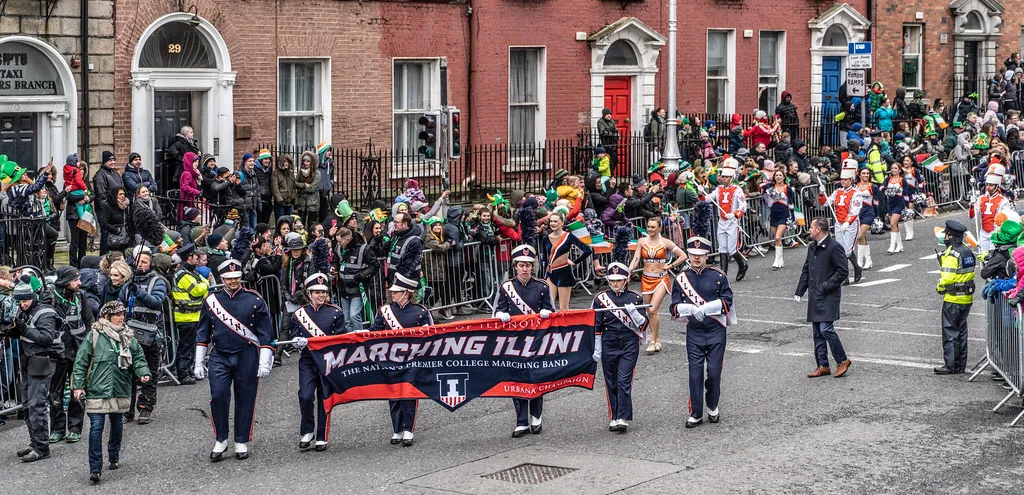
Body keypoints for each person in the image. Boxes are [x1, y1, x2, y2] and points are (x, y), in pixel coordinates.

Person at [195, 259, 274, 461]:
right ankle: (221, 439)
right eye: (229, 278)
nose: (233, 281)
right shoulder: (211, 300)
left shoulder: (254, 299)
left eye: (236, 277)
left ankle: (241, 439)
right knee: (219, 395)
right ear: (222, 278)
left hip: (246, 353)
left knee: (245, 397)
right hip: (220, 354)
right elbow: (203, 332)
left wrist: (265, 359)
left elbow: (265, 333)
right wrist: (198, 361)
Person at [71, 301, 151, 484]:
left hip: (120, 388)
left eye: (123, 314)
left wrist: (143, 373)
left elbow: (138, 358)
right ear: (107, 317)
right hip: (96, 390)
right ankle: (95, 468)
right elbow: (81, 362)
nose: (122, 318)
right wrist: (77, 386)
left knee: (117, 425)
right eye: (117, 314)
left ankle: (114, 456)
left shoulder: (128, 337)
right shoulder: (94, 335)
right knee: (96, 428)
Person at [670, 236, 733, 428]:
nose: (696, 258)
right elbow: (673, 307)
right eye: (693, 255)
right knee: (694, 373)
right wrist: (688, 310)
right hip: (694, 332)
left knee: (714, 373)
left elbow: (727, 302)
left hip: (715, 330)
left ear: (707, 255)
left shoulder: (719, 276)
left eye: (700, 255)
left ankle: (712, 404)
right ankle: (696, 412)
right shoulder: (681, 279)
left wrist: (708, 308)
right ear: (688, 254)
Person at [492, 245, 554, 437]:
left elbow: (552, 312)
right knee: (517, 380)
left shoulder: (542, 286)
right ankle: (521, 421)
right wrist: (501, 315)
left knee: (535, 378)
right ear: (515, 266)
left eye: (528, 265)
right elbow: (496, 312)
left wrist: (547, 313)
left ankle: (536, 415)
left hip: (536, 341)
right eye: (521, 265)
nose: (525, 268)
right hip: (514, 342)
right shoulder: (506, 287)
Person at [368, 271, 431, 446]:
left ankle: (409, 429)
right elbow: (375, 331)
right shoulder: (385, 310)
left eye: (396, 291)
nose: (392, 293)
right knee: (394, 394)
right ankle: (397, 429)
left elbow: (432, 335)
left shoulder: (420, 311)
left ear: (407, 293)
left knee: (408, 394)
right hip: (391, 359)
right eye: (392, 291)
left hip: (412, 359)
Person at [290, 273, 346, 452]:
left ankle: (322, 435)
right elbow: (293, 334)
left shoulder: (335, 312)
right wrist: (296, 341)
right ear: (309, 293)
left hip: (327, 360)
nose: (321, 295)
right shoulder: (299, 314)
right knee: (305, 395)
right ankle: (307, 430)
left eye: (323, 292)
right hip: (307, 360)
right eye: (317, 292)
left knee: (325, 397)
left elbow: (341, 338)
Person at [592, 262, 647, 432]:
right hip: (609, 342)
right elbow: (596, 327)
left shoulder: (635, 298)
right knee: (611, 381)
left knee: (624, 379)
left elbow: (644, 326)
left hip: (629, 341)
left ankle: (623, 416)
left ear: (626, 280)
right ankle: (614, 416)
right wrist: (597, 348)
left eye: (619, 280)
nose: (616, 283)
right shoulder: (600, 299)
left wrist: (635, 314)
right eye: (613, 280)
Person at [795, 218, 852, 378]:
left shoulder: (834, 247)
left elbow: (843, 271)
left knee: (825, 329)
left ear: (818, 229)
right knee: (817, 332)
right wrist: (800, 290)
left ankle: (842, 360)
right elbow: (806, 270)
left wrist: (825, 286)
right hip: (815, 295)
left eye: (812, 227)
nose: (810, 230)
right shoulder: (812, 247)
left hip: (828, 295)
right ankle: (823, 365)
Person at [46, 266, 95, 444]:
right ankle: (57, 429)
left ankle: (74, 428)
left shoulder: (80, 296)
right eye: (76, 280)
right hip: (58, 352)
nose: (79, 283)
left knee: (78, 390)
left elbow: (89, 320)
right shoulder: (50, 296)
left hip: (78, 350)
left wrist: (91, 342)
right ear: (66, 282)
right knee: (55, 392)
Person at [119, 246, 167, 424]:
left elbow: (156, 302)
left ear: (150, 264)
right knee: (127, 374)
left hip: (149, 336)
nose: (140, 265)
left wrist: (138, 291)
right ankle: (127, 410)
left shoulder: (158, 281)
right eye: (138, 261)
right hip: (129, 335)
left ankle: (145, 408)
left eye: (144, 262)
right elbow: (119, 304)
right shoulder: (128, 283)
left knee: (149, 374)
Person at [628, 217, 686, 354]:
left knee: (653, 309)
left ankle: (653, 341)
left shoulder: (666, 242)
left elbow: (683, 255)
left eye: (653, 227)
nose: (650, 229)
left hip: (661, 280)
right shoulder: (642, 242)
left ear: (659, 228)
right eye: (648, 226)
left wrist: (670, 265)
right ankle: (656, 339)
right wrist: (629, 271)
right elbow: (636, 258)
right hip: (646, 279)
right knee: (650, 312)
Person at [935, 220, 976, 375]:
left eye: (946, 234)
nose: (944, 237)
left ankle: (951, 365)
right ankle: (960, 365)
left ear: (950, 236)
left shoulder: (952, 254)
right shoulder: (966, 250)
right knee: (961, 332)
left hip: (953, 298)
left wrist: (939, 286)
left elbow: (948, 278)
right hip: (966, 297)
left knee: (950, 332)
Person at [817, 159, 863, 283]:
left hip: (851, 224)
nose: (843, 181)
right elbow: (826, 203)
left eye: (845, 180)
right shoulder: (837, 192)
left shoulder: (856, 193)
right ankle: (845, 276)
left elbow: (855, 210)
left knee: (847, 250)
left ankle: (857, 267)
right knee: (840, 249)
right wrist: (822, 193)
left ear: (851, 180)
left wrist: (847, 222)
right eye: (842, 179)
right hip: (838, 223)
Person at [170, 243, 209, 384]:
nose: (197, 260)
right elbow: (198, 289)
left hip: (193, 315)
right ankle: (183, 373)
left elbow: (202, 282)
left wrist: (204, 284)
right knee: (186, 346)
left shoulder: (190, 273)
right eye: (195, 257)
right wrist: (206, 286)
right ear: (189, 258)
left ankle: (189, 370)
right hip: (185, 316)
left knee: (191, 346)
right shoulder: (182, 275)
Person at [540, 211, 592, 311]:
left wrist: (574, 262)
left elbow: (587, 250)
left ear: (562, 223)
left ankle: (565, 326)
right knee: (547, 308)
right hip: (550, 274)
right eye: (551, 221)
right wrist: (543, 276)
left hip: (564, 273)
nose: (553, 224)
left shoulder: (568, 237)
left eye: (555, 221)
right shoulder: (545, 238)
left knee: (564, 309)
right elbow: (544, 259)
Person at [706, 163, 748, 280]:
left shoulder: (737, 189)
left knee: (732, 249)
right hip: (721, 222)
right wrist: (700, 192)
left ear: (731, 178)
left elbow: (743, 205)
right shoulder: (718, 189)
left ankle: (742, 266)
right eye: (722, 176)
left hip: (733, 222)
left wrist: (735, 214)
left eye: (725, 177)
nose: (723, 178)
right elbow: (708, 199)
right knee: (722, 249)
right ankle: (723, 275)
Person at [335, 227, 379, 331]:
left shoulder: (364, 249)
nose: (338, 244)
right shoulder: (339, 248)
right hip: (343, 288)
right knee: (347, 319)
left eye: (340, 241)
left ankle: (360, 338)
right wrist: (333, 267)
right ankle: (350, 340)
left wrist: (362, 275)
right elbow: (335, 260)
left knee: (354, 315)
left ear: (347, 239)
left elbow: (375, 265)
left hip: (358, 288)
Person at [761, 169, 796, 269]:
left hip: (784, 214)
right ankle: (780, 260)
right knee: (776, 239)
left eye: (780, 175)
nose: (778, 177)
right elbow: (762, 186)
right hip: (774, 214)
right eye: (776, 175)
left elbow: (790, 203)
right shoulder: (772, 187)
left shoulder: (787, 188)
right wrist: (766, 185)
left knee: (777, 237)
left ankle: (777, 260)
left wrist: (792, 217)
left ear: (784, 177)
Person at [970, 170, 1012, 253]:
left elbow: (1005, 219)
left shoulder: (1003, 200)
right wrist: (972, 204)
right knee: (983, 255)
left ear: (997, 186)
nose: (988, 187)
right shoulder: (981, 199)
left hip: (995, 232)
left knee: (992, 256)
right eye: (987, 185)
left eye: (991, 185)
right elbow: (972, 215)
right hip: (983, 232)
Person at [93, 151, 124, 255]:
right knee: (105, 233)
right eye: (110, 160)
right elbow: (101, 195)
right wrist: (107, 209)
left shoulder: (115, 173)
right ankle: (103, 257)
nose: (113, 162)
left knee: (115, 233)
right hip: (105, 209)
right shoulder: (100, 175)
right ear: (105, 162)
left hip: (116, 207)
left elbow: (121, 188)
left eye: (113, 160)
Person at [883, 163, 913, 255]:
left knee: (892, 223)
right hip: (890, 203)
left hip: (899, 203)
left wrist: (907, 206)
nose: (893, 170)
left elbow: (906, 193)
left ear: (899, 170)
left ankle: (892, 246)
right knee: (895, 224)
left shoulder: (902, 180)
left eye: (895, 168)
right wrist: (883, 188)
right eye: (892, 168)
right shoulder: (888, 179)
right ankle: (899, 245)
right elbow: (882, 186)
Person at [854, 168, 880, 270]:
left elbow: (876, 202)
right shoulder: (854, 186)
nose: (866, 175)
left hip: (868, 213)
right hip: (857, 213)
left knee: (860, 235)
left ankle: (859, 262)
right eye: (863, 173)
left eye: (867, 173)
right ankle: (868, 260)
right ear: (859, 175)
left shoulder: (873, 186)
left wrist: (877, 217)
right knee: (862, 237)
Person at [295, 151, 321, 228]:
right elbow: (295, 183)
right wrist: (304, 185)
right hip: (302, 202)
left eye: (308, 161)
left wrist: (302, 189)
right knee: (300, 223)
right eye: (304, 161)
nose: (306, 163)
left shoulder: (317, 173)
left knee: (311, 225)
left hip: (312, 202)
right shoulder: (301, 171)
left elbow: (313, 188)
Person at [272, 155, 297, 220]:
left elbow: (294, 187)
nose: (286, 163)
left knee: (288, 221)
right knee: (280, 221)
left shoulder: (291, 173)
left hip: (289, 202)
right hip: (280, 203)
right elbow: (275, 188)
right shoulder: (276, 173)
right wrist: (280, 200)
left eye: (287, 162)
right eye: (284, 162)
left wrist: (293, 198)